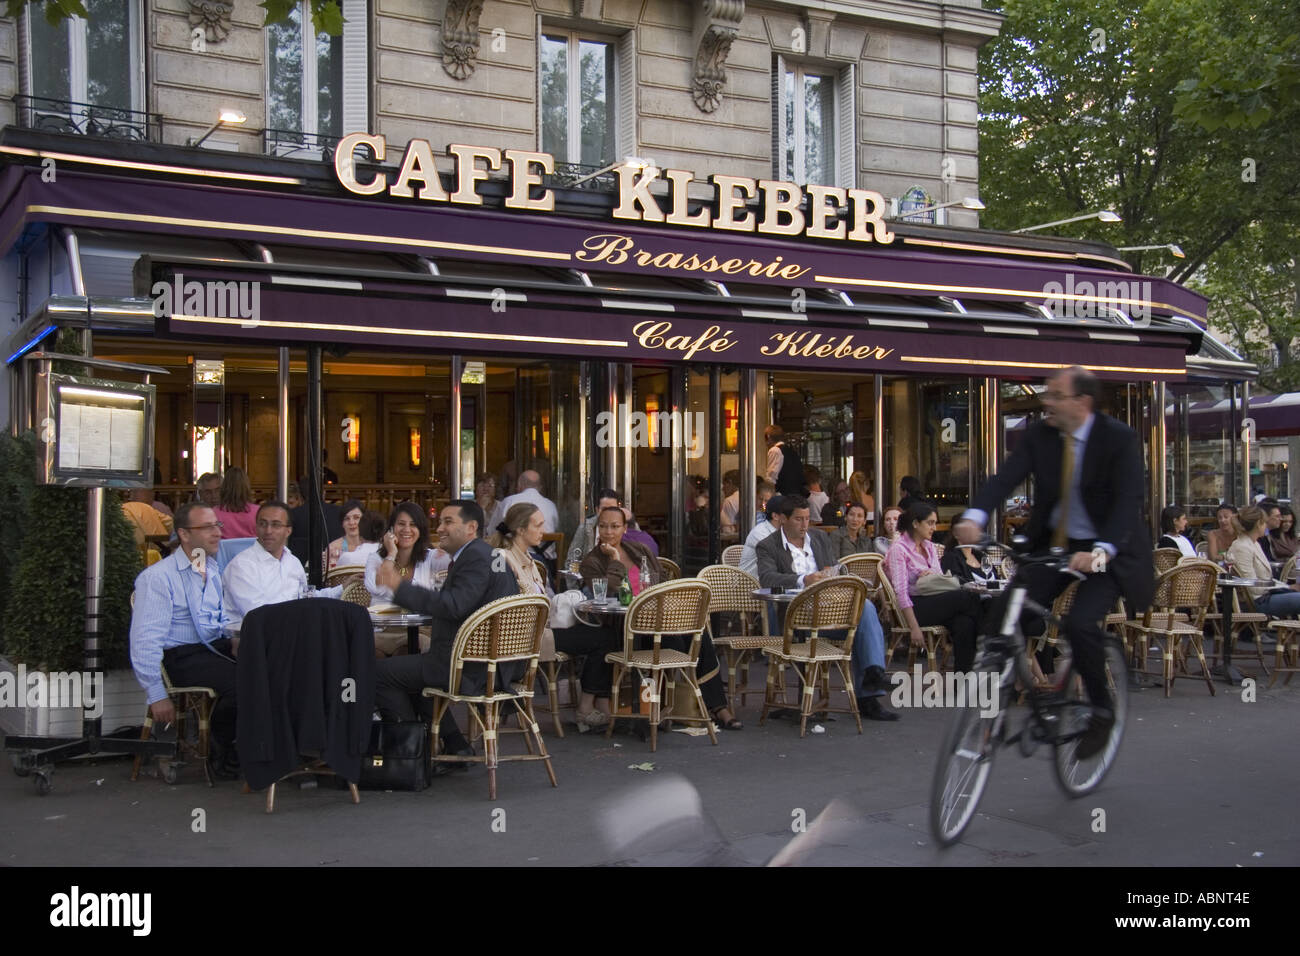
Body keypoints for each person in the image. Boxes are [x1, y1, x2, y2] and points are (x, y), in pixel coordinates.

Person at [954, 365, 1153, 759]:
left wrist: (1102, 550)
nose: (1047, 402)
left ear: (1082, 402)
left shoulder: (1118, 439)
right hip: (1056, 545)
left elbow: (1128, 502)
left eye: (1056, 396)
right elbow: (1005, 477)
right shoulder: (1042, 436)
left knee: (1080, 624)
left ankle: (1100, 711)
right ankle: (997, 703)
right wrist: (975, 516)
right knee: (1005, 611)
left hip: (1106, 551)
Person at [372, 500, 519, 764]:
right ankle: (455, 745)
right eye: (439, 522)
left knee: (379, 674)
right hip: (486, 664)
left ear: (471, 527)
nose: (439, 528)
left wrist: (400, 587)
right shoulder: (483, 554)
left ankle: (412, 753)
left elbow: (453, 606)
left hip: (471, 668)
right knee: (414, 675)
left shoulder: (475, 557)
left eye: (448, 522)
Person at [580, 505, 743, 729]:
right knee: (674, 641)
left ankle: (718, 707)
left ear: (625, 528)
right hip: (627, 628)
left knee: (700, 636)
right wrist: (615, 558)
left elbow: (662, 580)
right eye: (604, 526)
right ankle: (664, 707)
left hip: (659, 619)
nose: (608, 532)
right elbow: (612, 590)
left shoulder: (639, 550)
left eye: (615, 526)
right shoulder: (592, 561)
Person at [754, 497, 896, 720]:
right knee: (864, 611)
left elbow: (833, 566)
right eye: (799, 519)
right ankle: (870, 691)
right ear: (783, 519)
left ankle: (873, 675)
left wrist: (832, 572)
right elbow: (767, 577)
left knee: (864, 606)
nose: (804, 525)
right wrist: (804, 579)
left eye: (807, 519)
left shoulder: (819, 538)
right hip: (794, 617)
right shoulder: (768, 545)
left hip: (829, 610)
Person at [129, 501, 238, 779]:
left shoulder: (211, 569)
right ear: (185, 534)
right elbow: (145, 639)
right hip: (181, 655)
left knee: (272, 667)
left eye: (217, 525)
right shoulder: (157, 578)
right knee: (244, 683)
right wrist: (156, 694)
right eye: (207, 527)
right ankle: (222, 750)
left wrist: (236, 637)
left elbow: (216, 619)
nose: (217, 533)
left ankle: (257, 748)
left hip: (212, 647)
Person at [492, 503, 620, 733]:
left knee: (607, 634)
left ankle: (598, 704)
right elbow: (500, 603)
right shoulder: (501, 558)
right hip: (524, 637)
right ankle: (587, 707)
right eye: (539, 525)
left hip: (541, 630)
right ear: (521, 529)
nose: (544, 530)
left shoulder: (528, 558)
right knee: (602, 639)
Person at [884, 503, 985, 672]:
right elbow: (901, 592)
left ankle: (964, 683)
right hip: (914, 607)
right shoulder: (899, 549)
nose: (934, 528)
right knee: (968, 597)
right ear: (916, 524)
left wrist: (928, 573)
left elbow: (939, 578)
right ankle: (989, 639)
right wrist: (914, 628)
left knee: (964, 624)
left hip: (935, 600)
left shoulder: (930, 546)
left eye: (935, 523)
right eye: (930, 523)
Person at [221, 501, 309, 629]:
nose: (268, 531)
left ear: (288, 531)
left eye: (276, 525)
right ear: (256, 527)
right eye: (263, 524)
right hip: (253, 636)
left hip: (289, 630)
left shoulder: (293, 561)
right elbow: (257, 613)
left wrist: (341, 588)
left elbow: (304, 597)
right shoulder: (242, 565)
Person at [1225, 505, 1300, 617]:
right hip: (1260, 600)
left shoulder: (1254, 543)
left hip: (1267, 595)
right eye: (1264, 522)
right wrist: (1287, 587)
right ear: (1258, 524)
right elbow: (1252, 587)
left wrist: (1287, 587)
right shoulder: (1241, 547)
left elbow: (1265, 580)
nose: (1266, 526)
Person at [741, 494, 786, 579]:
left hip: (769, 584)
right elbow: (782, 560)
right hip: (748, 587)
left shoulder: (782, 533)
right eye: (788, 514)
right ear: (775, 516)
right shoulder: (760, 533)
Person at [123, 488, 174, 562]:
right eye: (151, 493)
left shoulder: (122, 509)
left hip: (131, 555)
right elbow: (172, 525)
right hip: (157, 553)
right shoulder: (147, 508)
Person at [571, 488, 622, 559]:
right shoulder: (585, 528)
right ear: (597, 510)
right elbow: (571, 560)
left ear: (619, 509)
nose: (608, 513)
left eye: (612, 509)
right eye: (604, 509)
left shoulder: (627, 528)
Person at [213, 466, 259, 539]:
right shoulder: (258, 511)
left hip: (225, 550)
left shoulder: (214, 512)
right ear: (247, 486)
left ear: (223, 487)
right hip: (252, 549)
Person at [764, 424, 805, 496]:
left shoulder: (775, 450)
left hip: (782, 496)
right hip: (795, 494)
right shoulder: (791, 451)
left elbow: (771, 477)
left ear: (768, 437)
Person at [328, 499, 366, 567]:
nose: (351, 523)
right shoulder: (333, 547)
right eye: (347, 519)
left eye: (356, 517)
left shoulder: (372, 545)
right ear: (342, 523)